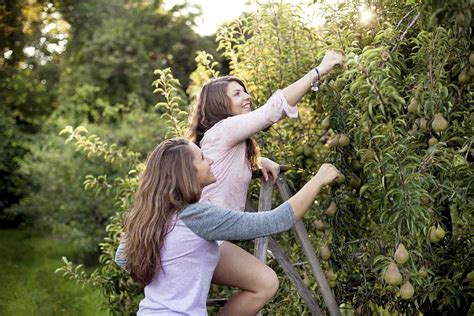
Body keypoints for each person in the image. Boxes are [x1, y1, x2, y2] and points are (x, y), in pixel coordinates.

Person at [186, 50, 344, 313]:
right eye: (236, 94)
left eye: (244, 91)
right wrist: (320, 69)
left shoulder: (224, 140)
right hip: (202, 239)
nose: (247, 97)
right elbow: (273, 110)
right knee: (264, 282)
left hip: (211, 238)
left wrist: (258, 161)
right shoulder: (223, 130)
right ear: (218, 105)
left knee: (264, 282)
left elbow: (226, 166)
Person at [117, 137, 340, 315]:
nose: (211, 161)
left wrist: (183, 268)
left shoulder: (151, 218)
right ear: (188, 173)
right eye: (203, 158)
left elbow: (122, 258)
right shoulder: (198, 217)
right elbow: (276, 220)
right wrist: (318, 180)